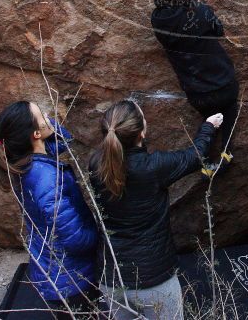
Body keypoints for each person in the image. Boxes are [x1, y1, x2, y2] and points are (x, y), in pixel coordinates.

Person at [88, 99, 222, 319]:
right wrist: (209, 126)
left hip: (111, 277)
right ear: (141, 133)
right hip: (152, 278)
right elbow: (195, 156)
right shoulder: (153, 167)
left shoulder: (95, 163)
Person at [0, 101, 100, 318]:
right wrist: (100, 238)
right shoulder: (45, 179)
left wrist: (48, 126)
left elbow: (64, 141)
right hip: (70, 278)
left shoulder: (25, 161)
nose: (49, 118)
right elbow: (75, 239)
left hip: (53, 268)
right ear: (36, 134)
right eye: (43, 116)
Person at [151, 0, 238, 176]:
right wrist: (202, 6)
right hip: (222, 81)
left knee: (209, 119)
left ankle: (205, 159)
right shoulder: (202, 13)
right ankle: (226, 154)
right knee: (230, 112)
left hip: (196, 90)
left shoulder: (158, 20)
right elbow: (219, 30)